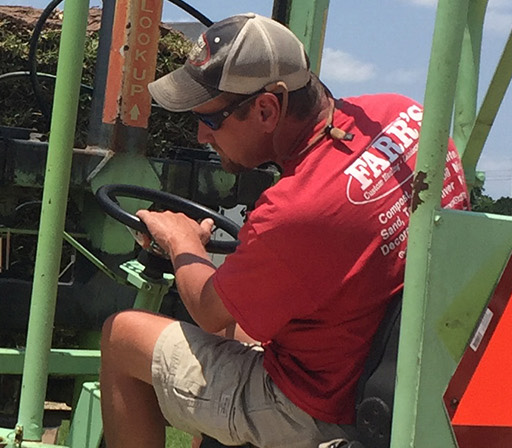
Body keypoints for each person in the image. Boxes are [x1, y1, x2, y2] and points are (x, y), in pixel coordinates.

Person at [99, 12, 470, 448]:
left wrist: (181, 241)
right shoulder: (408, 118)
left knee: (121, 337)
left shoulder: (296, 211)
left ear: (266, 108)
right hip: (398, 380)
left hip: (316, 410)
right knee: (232, 333)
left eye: (210, 120)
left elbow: (206, 307)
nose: (201, 136)